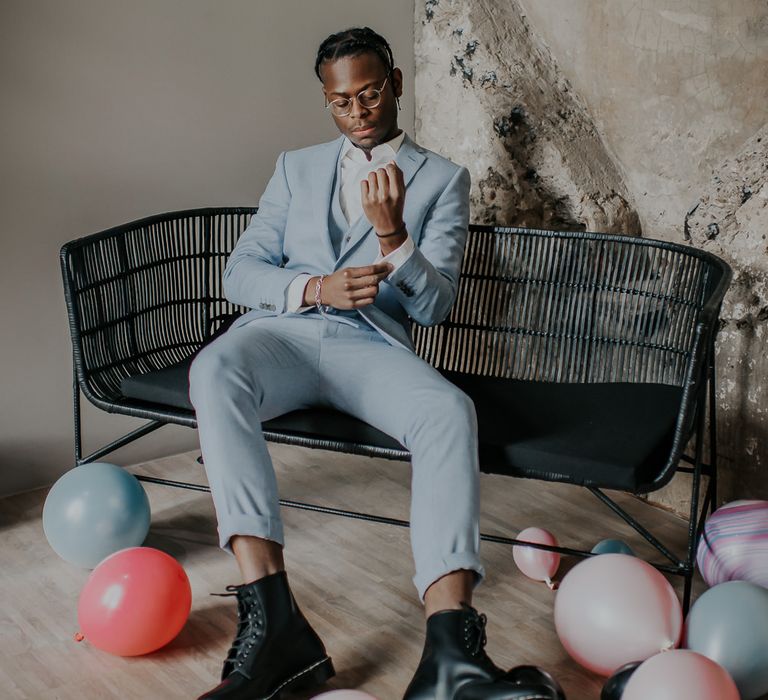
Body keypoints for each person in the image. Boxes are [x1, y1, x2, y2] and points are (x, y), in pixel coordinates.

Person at [190, 26, 563, 700]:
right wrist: (312, 288)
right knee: (214, 370)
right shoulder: (294, 167)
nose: (357, 113)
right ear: (326, 102)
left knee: (449, 411)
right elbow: (239, 272)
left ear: (395, 83)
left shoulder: (443, 179)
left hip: (371, 347)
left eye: (368, 94)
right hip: (286, 334)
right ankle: (272, 620)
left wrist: (394, 236)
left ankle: (452, 656)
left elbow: (434, 307)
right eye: (340, 102)